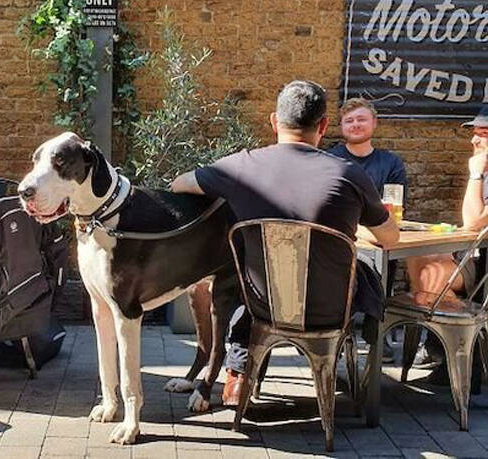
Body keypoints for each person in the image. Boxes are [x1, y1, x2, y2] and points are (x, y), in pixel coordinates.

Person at [171, 80, 399, 406]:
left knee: (247, 277)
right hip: (329, 310)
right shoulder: (349, 174)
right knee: (367, 278)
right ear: (322, 126)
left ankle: (239, 371)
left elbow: (179, 184)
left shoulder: (240, 167)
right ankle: (353, 378)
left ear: (275, 122)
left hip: (264, 305)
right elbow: (390, 237)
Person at [405, 105, 488, 379]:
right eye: (474, 133)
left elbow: (474, 222)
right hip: (472, 256)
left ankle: (451, 350)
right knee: (418, 258)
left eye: (483, 133)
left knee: (431, 275)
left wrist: (475, 174)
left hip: (484, 267)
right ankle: (451, 346)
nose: (474, 140)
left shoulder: (481, 172)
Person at [328, 97, 408, 363]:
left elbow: (395, 208)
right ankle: (340, 331)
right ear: (340, 127)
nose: (355, 125)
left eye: (361, 119)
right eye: (349, 121)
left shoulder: (390, 162)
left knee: (385, 256)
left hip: (376, 237)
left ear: (374, 123)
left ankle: (377, 331)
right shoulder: (330, 158)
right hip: (339, 237)